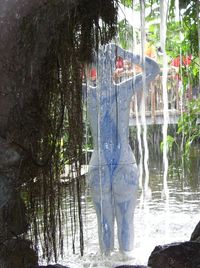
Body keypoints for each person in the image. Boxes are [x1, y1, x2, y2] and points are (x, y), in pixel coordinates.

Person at [85, 43, 159, 255]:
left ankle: (108, 263)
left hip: (103, 164)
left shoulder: (88, 94)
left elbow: (58, 81)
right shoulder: (124, 89)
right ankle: (124, 261)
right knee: (124, 221)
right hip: (122, 163)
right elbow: (154, 69)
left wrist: (83, 57)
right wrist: (125, 54)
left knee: (105, 223)